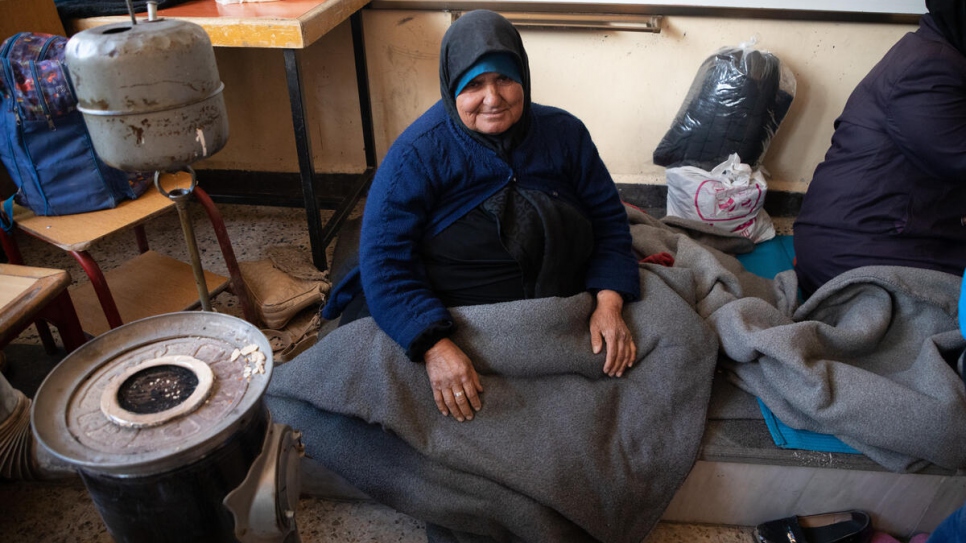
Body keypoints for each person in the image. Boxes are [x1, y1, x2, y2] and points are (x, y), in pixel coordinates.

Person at [322, 9, 641, 422]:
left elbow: (609, 220)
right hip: (458, 317)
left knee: (670, 352)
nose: (493, 99)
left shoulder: (565, 134)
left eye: (505, 79)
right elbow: (384, 260)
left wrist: (609, 303)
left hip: (561, 312)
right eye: (474, 85)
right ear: (450, 86)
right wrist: (434, 347)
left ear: (523, 77)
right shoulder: (417, 153)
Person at [792, 0, 966, 298]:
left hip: (885, 232)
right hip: (858, 251)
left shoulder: (938, 51)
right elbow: (957, 160)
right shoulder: (928, 67)